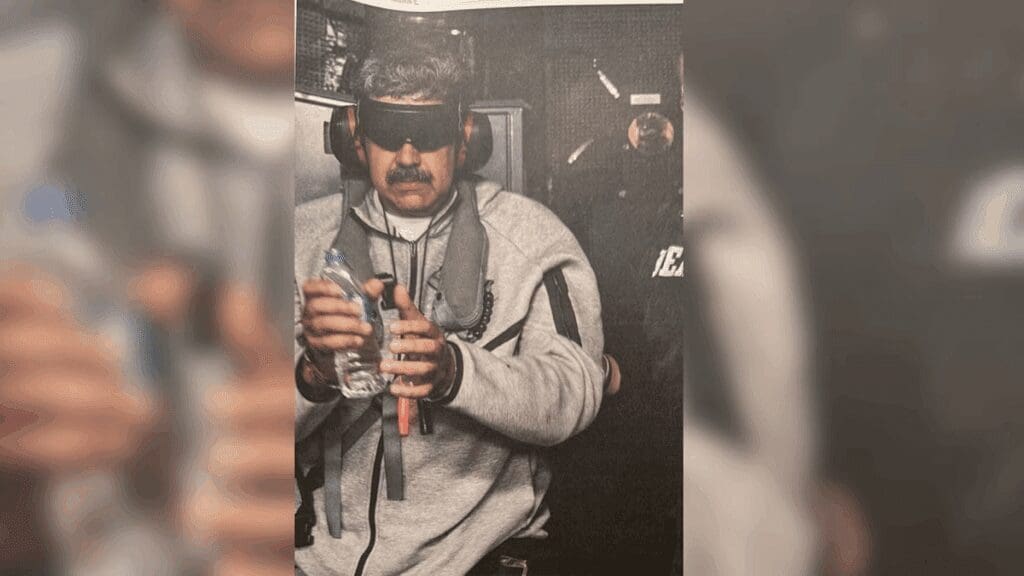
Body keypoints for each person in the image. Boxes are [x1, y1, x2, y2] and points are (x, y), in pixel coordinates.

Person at [294, 38, 606, 576]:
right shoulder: (299, 239)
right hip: (320, 561)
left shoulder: (535, 239)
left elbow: (576, 391)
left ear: (466, 139)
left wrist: (456, 373)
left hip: (476, 558)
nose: (407, 157)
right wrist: (314, 375)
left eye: (429, 133)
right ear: (355, 138)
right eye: (388, 133)